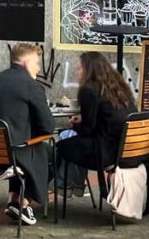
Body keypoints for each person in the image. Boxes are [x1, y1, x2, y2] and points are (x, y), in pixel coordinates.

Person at [0, 43, 55, 225]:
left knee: (22, 146)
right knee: (48, 152)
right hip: (13, 155)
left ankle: (13, 199)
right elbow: (48, 126)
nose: (38, 69)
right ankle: (23, 202)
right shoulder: (31, 86)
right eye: (36, 63)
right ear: (27, 62)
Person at [56, 51, 136, 194]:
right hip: (129, 148)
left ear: (89, 70)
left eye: (79, 68)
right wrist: (83, 120)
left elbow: (88, 130)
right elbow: (108, 116)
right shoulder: (118, 87)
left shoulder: (88, 90)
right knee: (70, 137)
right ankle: (72, 185)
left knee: (62, 140)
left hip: (106, 151)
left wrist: (75, 125)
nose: (76, 71)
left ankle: (65, 185)